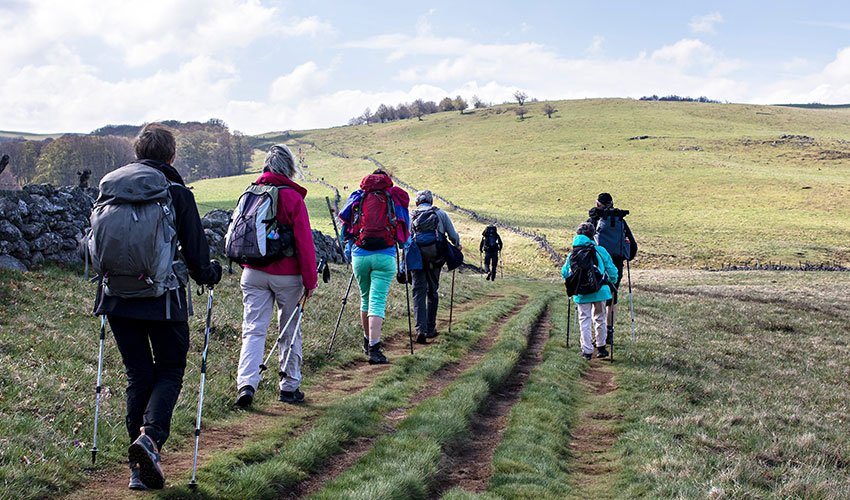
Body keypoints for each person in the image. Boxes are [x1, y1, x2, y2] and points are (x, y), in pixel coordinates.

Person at [93, 124, 222, 490]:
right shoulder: (176, 192)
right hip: (162, 299)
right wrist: (209, 274)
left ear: (137, 154)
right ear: (171, 156)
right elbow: (198, 255)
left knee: (138, 375)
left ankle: (138, 469)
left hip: (115, 297)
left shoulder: (111, 189)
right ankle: (149, 439)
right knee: (169, 369)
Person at [234, 145, 318, 408]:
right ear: (289, 168)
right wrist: (310, 280)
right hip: (288, 276)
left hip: (253, 273)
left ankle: (246, 384)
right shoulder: (293, 198)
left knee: (253, 330)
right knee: (289, 330)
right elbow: (304, 243)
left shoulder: (249, 193)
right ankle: (288, 386)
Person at [339, 169, 410, 363]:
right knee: (377, 300)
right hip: (385, 255)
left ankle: (366, 340)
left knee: (365, 298)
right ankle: (374, 349)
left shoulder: (359, 196)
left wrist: (349, 248)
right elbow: (405, 229)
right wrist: (403, 248)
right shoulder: (393, 196)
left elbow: (345, 222)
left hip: (360, 254)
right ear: (387, 180)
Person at [409, 190, 461, 344]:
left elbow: (406, 237)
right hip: (435, 259)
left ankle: (420, 329)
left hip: (417, 260)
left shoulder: (411, 216)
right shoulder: (441, 214)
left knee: (418, 292)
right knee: (432, 292)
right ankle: (431, 328)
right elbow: (453, 235)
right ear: (431, 202)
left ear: (417, 203)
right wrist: (457, 246)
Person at [561, 222, 618, 360]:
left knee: (584, 320)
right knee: (600, 318)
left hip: (581, 293)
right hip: (600, 290)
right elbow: (612, 271)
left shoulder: (572, 254)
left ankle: (586, 351)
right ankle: (601, 347)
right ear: (593, 235)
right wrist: (612, 282)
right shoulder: (600, 251)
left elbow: (564, 273)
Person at [587, 192, 637, 345]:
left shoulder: (594, 220)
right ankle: (609, 331)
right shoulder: (620, 220)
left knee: (597, 297)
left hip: (597, 264)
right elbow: (633, 246)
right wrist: (625, 256)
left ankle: (598, 336)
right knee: (612, 297)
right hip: (617, 265)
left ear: (597, 204)